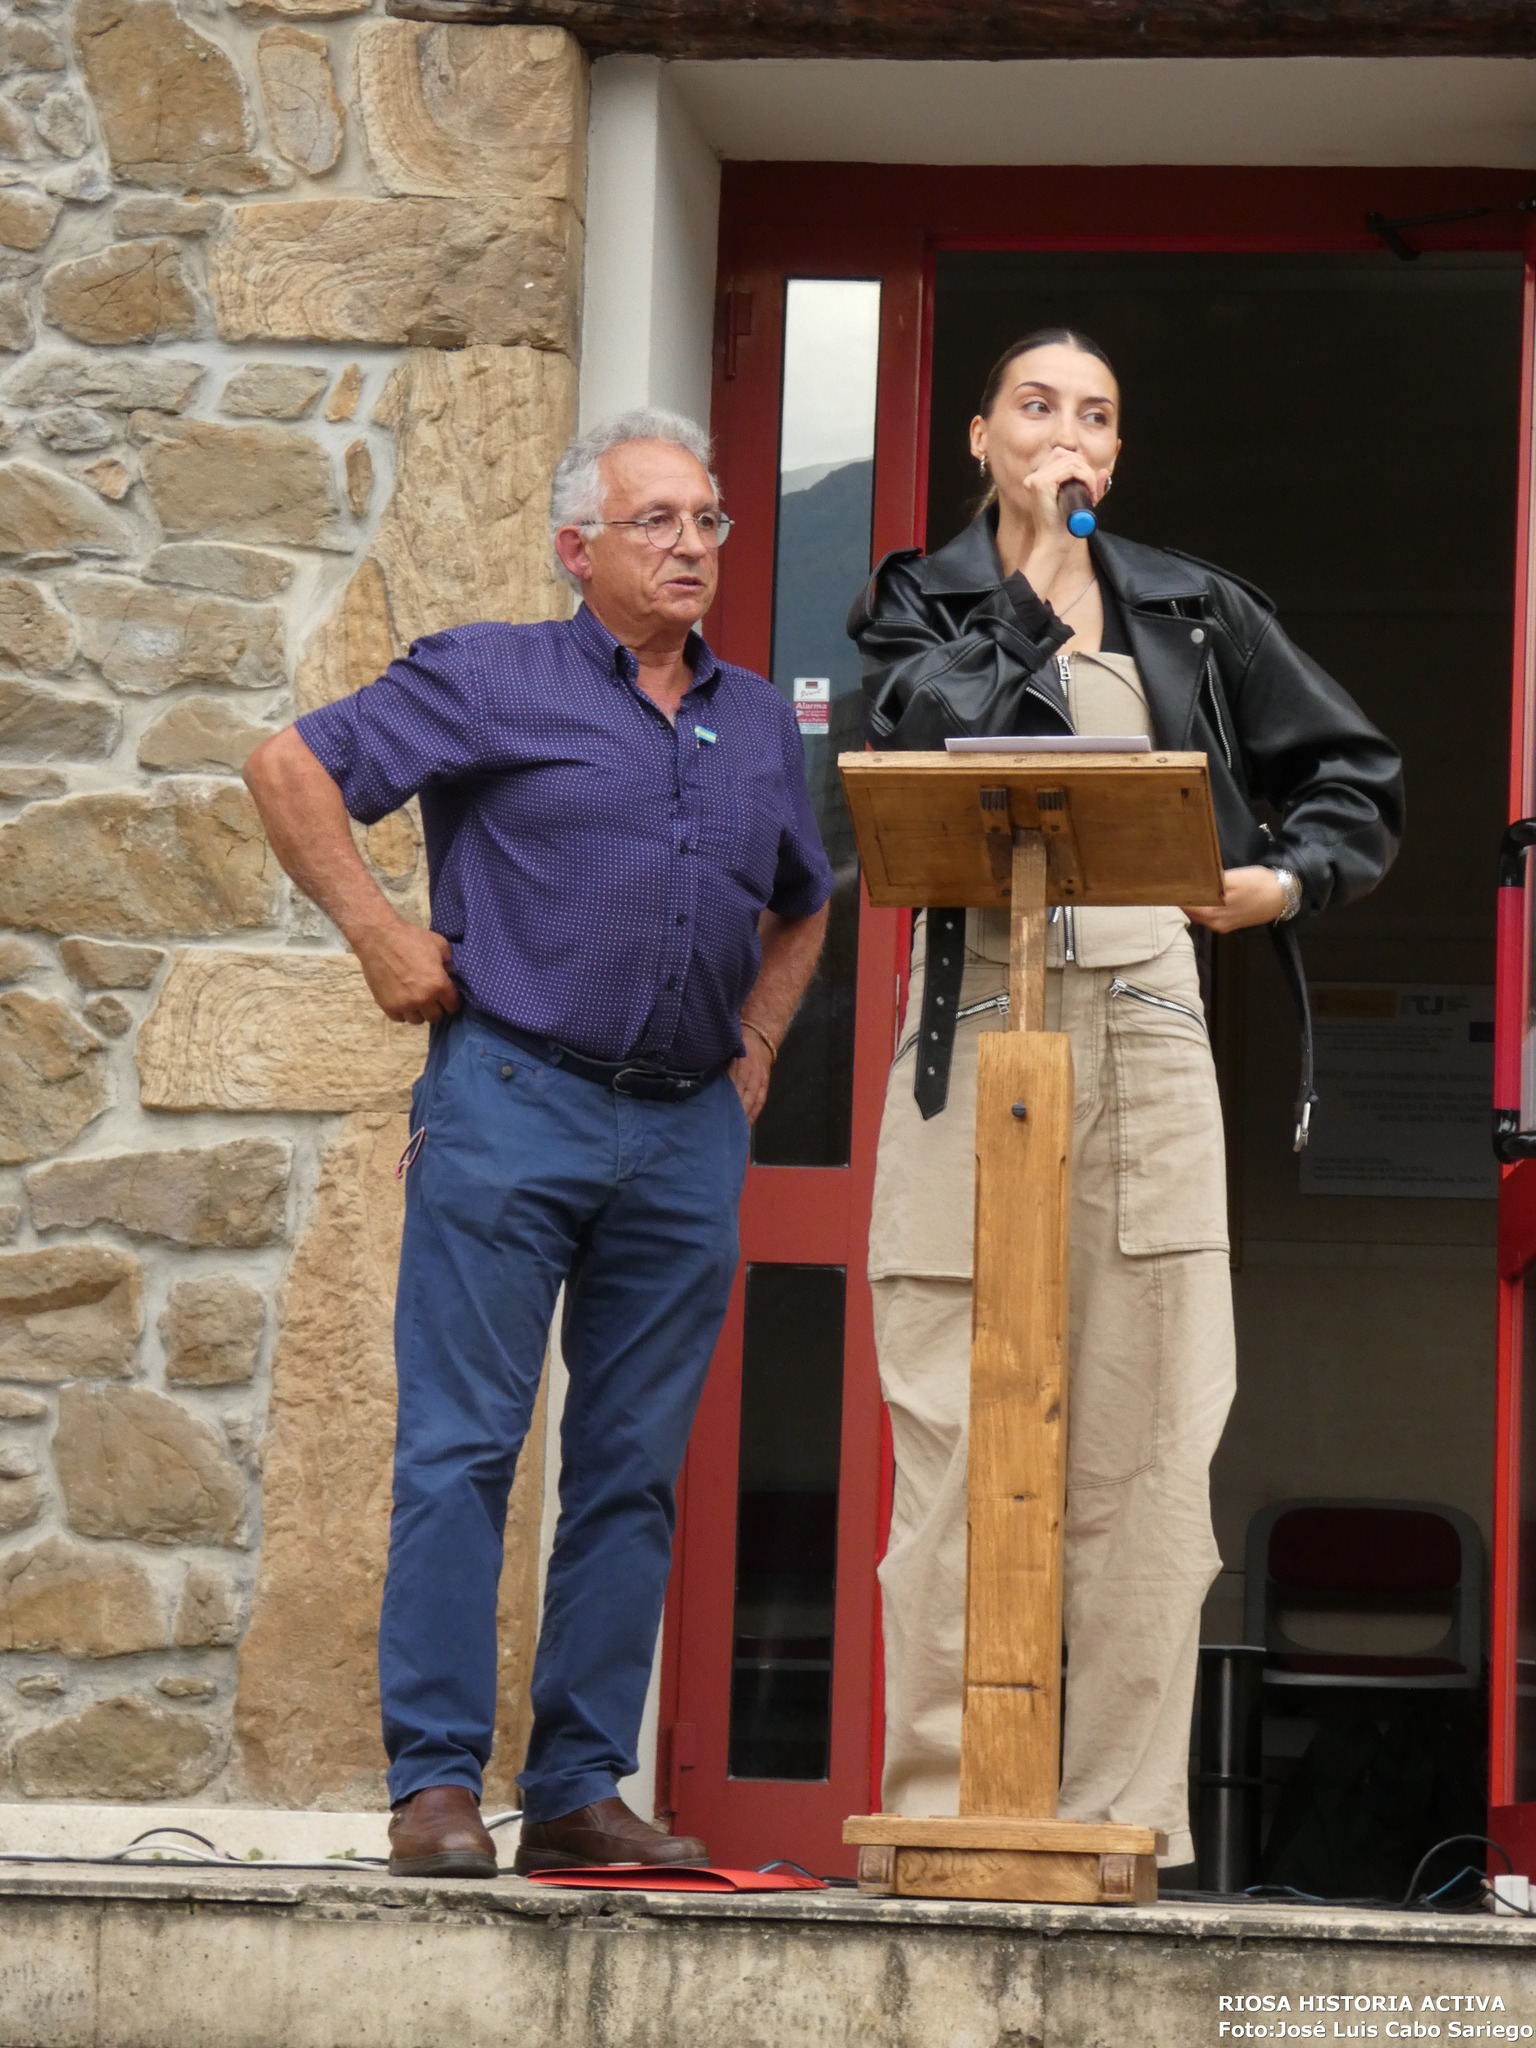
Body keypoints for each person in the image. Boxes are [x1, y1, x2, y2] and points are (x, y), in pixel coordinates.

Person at [243, 409, 832, 1879]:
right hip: (512, 1098)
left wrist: (756, 1041)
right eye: (659, 522)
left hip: (685, 1126)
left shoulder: (755, 716)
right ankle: (436, 1789)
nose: (694, 543)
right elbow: (286, 768)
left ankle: (576, 1786)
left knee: (630, 1468)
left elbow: (805, 897)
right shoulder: (487, 671)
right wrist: (381, 935)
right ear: (579, 549)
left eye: (710, 520)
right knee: (461, 1450)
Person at [848, 330, 1403, 1868]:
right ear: (981, 436)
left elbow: (1355, 772)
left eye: (1095, 415)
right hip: (976, 1010)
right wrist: (1028, 579)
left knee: (1151, 1452)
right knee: (955, 1445)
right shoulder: (921, 597)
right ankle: (952, 1816)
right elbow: (891, 732)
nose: (1066, 433)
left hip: (1149, 1015)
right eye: (1038, 409)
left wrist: (1277, 880)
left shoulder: (1195, 606)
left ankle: (1120, 1822)